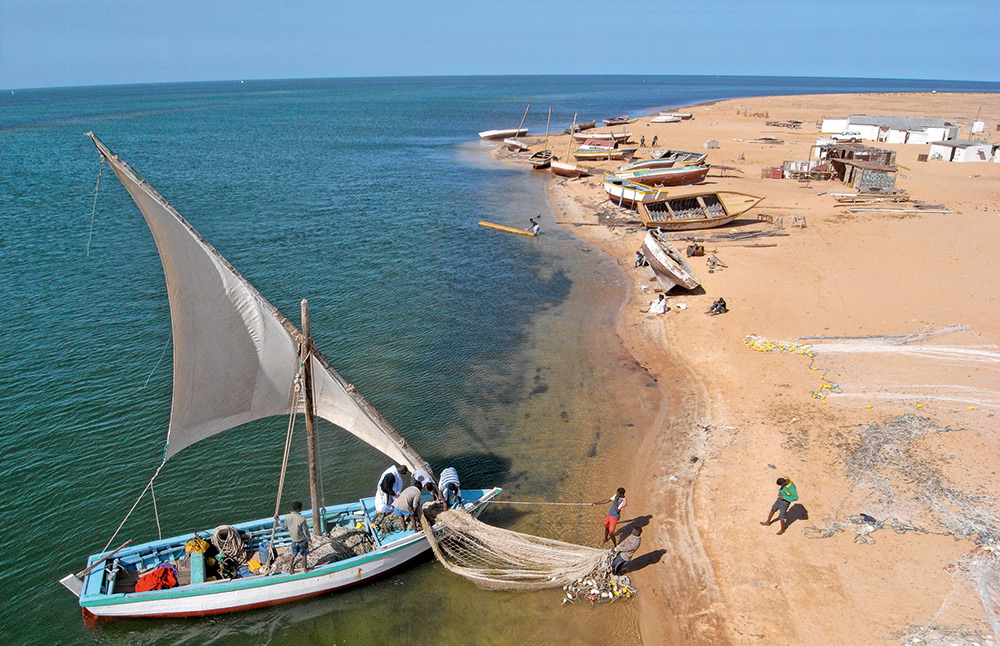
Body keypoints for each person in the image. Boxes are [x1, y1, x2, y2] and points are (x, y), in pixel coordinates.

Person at [275, 501, 310, 574]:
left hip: (294, 540)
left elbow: (284, 526)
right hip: (302, 541)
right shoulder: (302, 519)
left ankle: (290, 569)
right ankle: (305, 569)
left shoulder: (288, 517)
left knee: (293, 554)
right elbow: (305, 531)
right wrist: (309, 538)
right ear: (299, 509)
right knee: (304, 555)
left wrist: (278, 520)